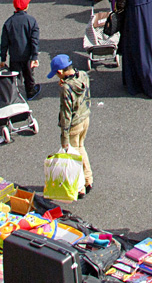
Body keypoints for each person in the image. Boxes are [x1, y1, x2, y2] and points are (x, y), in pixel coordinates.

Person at [51, 54, 92, 197]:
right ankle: (88, 180)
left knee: (73, 155)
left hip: (74, 123)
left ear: (60, 72)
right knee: (81, 148)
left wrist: (64, 138)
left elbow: (66, 114)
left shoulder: (66, 89)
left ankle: (80, 187)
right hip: (85, 117)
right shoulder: (83, 75)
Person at [0, 0, 41, 99]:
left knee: (15, 77)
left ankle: (16, 95)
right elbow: (34, 40)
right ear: (26, 6)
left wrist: (3, 58)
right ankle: (30, 91)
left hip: (14, 56)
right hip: (27, 56)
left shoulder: (8, 23)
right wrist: (34, 56)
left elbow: (4, 43)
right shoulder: (31, 21)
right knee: (29, 75)